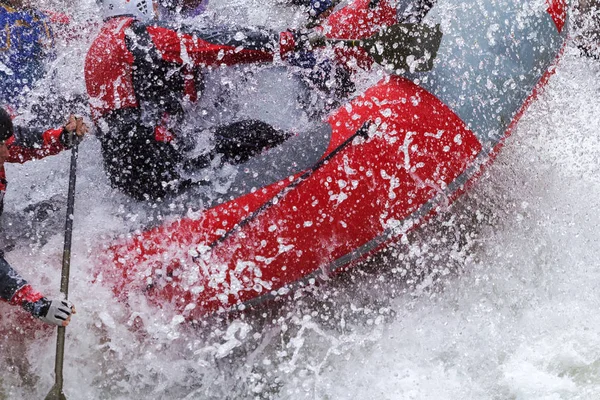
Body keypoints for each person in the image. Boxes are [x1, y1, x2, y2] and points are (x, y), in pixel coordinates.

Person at [86, 0, 323, 200]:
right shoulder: (134, 35)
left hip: (127, 173)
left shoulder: (102, 45)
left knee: (218, 139)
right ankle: (318, 171)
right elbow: (211, 46)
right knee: (254, 133)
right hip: (159, 164)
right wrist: (286, 42)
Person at [0, 107, 86, 327]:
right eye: (1, 147)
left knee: (46, 215)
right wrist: (36, 303)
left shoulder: (5, 145)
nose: (8, 154)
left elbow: (25, 144)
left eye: (5, 144)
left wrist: (63, 137)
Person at [0, 0, 56, 105]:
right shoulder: (3, 15)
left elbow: (51, 59)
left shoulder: (38, 17)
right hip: (7, 91)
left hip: (35, 91)